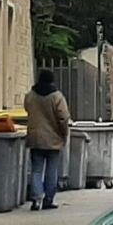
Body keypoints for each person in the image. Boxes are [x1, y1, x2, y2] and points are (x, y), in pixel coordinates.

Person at [25, 69, 70, 211]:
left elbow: (27, 109)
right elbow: (63, 117)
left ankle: (36, 199)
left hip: (35, 137)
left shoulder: (30, 96)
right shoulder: (57, 96)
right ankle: (48, 199)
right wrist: (64, 133)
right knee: (52, 169)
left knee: (36, 170)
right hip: (53, 138)